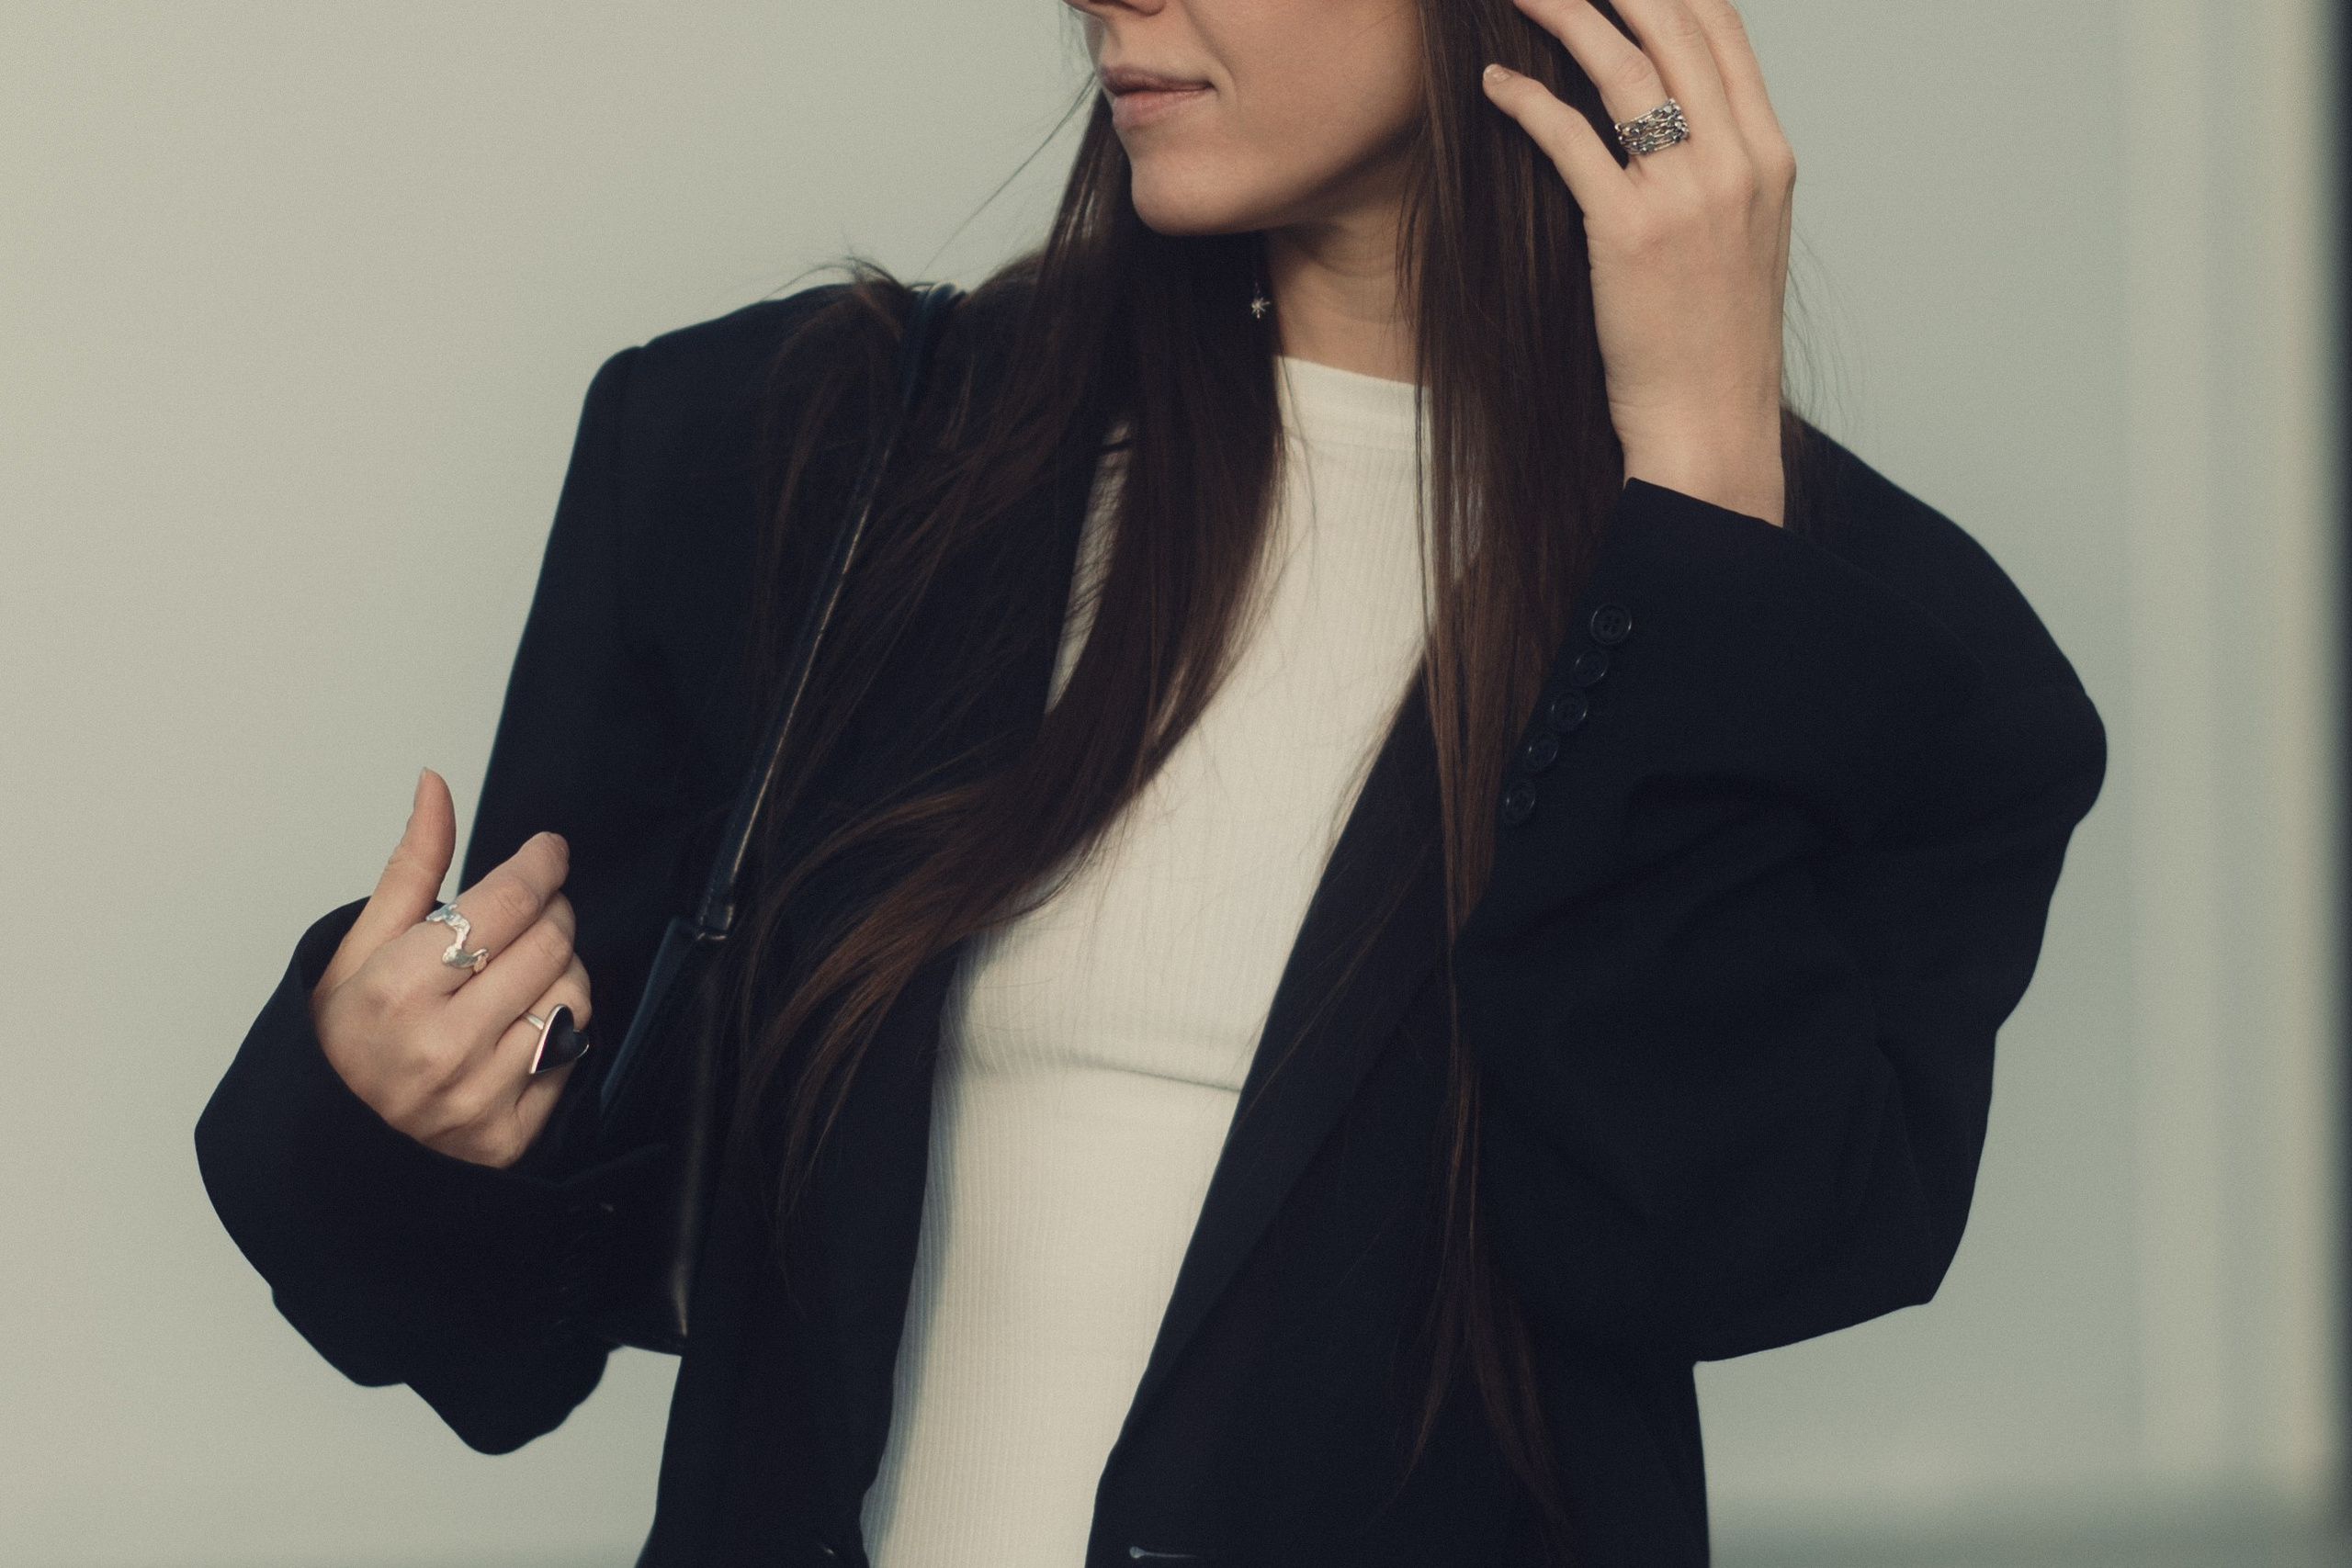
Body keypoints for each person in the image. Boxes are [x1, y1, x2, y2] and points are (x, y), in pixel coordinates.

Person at [195, 0, 2108, 1563]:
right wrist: (397, 1103)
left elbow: (1723, 1240)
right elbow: (505, 1322)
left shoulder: (1872, 647)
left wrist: (1694, 486)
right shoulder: (792, 462)